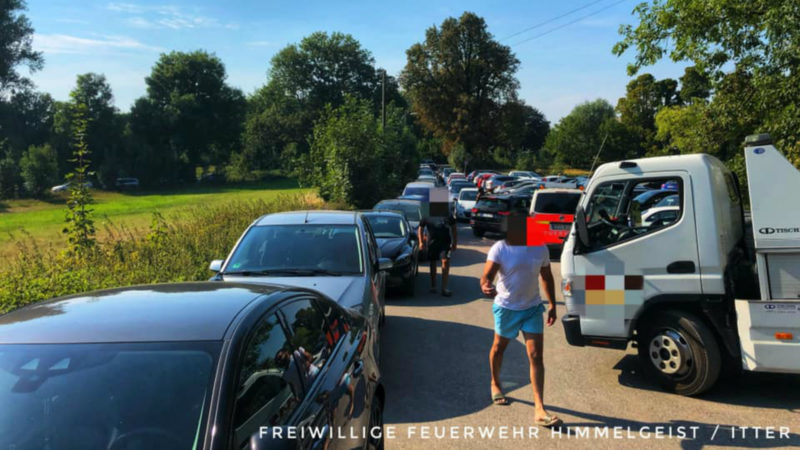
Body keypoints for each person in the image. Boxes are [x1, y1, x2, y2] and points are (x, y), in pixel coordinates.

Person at [479, 213, 561, 428]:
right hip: (506, 308)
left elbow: (546, 276)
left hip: (532, 308)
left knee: (535, 355)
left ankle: (539, 408)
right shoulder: (501, 247)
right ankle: (495, 383)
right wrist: (486, 284)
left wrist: (552, 304)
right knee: (499, 347)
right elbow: (487, 275)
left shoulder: (540, 248)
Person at [418, 214, 457, 296]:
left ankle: (444, 288)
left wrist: (454, 242)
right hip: (432, 243)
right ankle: (433, 286)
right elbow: (420, 228)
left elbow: (454, 228)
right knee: (433, 262)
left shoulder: (448, 215)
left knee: (445, 261)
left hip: (445, 243)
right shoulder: (427, 215)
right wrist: (421, 242)